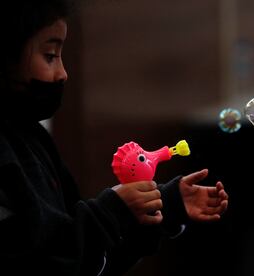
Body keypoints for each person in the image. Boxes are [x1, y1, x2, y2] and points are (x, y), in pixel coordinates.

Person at [0, 0, 229, 275]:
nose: (63, 73)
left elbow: (93, 258)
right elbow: (45, 260)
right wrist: (111, 212)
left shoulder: (34, 140)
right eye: (50, 55)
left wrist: (165, 206)